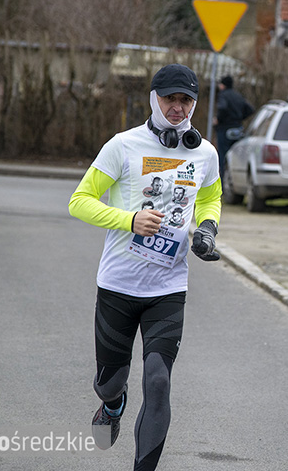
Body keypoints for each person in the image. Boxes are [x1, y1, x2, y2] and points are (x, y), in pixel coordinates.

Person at [68, 63, 222, 471]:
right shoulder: (123, 145)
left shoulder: (205, 153)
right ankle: (112, 406)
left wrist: (207, 228)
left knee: (158, 381)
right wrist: (128, 220)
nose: (178, 107)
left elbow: (210, 199)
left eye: (186, 99)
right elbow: (79, 200)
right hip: (118, 285)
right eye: (170, 98)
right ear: (153, 98)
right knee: (109, 382)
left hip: (168, 289)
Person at [214, 75, 254, 177]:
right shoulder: (238, 95)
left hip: (225, 129)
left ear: (223, 85)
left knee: (223, 157)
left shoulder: (223, 95)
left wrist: (219, 119)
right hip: (237, 129)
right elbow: (250, 109)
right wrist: (239, 118)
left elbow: (222, 108)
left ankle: (223, 183)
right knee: (237, 156)